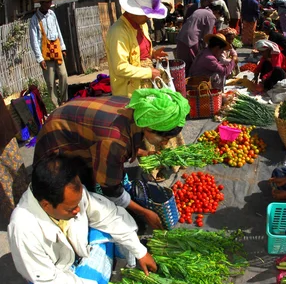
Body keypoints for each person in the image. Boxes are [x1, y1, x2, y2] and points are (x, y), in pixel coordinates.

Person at [8, 154, 158, 284]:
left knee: (119, 227)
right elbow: (49, 277)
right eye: (71, 208)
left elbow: (108, 216)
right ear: (46, 205)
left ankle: (100, 272)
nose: (78, 210)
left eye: (79, 202)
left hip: (80, 247)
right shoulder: (23, 229)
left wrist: (141, 252)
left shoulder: (72, 195)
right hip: (56, 271)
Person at [33, 90, 190, 230]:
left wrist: (141, 152)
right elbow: (111, 189)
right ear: (149, 127)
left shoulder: (137, 109)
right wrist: (144, 212)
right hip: (59, 133)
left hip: (77, 119)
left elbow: (122, 138)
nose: (164, 144)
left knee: (91, 177)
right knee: (62, 188)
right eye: (164, 138)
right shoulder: (115, 140)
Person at [106, 0, 169, 98]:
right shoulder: (118, 31)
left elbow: (138, 52)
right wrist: (150, 73)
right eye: (146, 14)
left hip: (146, 85)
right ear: (133, 12)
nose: (149, 18)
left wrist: (152, 54)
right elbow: (120, 67)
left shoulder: (142, 25)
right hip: (129, 92)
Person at [29, 0, 68, 107]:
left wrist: (63, 47)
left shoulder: (52, 14)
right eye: (47, 2)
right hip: (45, 53)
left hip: (57, 49)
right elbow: (34, 40)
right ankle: (56, 105)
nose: (50, 3)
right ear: (41, 3)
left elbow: (58, 30)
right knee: (50, 83)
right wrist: (40, 59)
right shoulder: (34, 19)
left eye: (50, 1)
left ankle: (64, 100)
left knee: (63, 75)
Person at [0, 92, 29, 220]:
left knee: (16, 173)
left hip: (3, 132)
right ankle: (16, 217)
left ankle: (27, 211)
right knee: (5, 182)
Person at [176, 0, 219, 74]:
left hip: (181, 37)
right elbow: (208, 36)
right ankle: (191, 81)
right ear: (217, 12)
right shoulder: (211, 16)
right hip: (191, 40)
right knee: (194, 62)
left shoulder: (199, 10)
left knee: (182, 64)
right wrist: (208, 51)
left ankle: (182, 81)